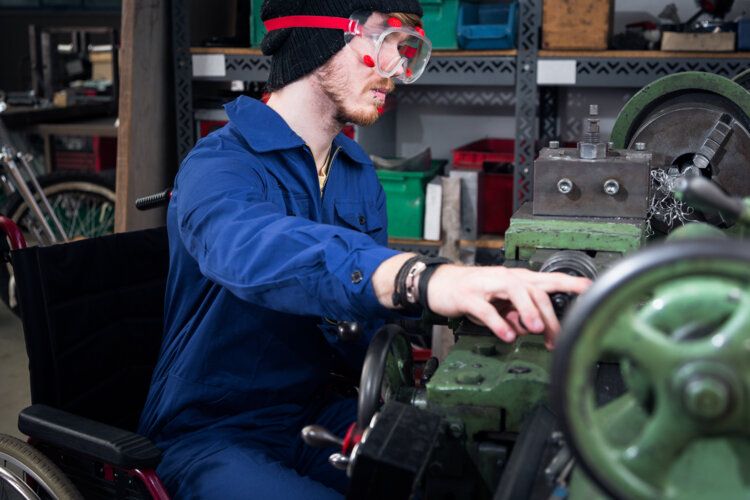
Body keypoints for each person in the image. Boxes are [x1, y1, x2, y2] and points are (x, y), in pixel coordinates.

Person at [138, 1, 591, 498]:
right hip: (214, 434)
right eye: (387, 44)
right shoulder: (219, 165)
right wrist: (419, 278)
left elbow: (364, 314)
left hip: (317, 411)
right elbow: (253, 248)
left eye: (408, 52)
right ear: (319, 40)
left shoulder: (354, 168)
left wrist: (469, 306)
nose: (398, 71)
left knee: (460, 480)